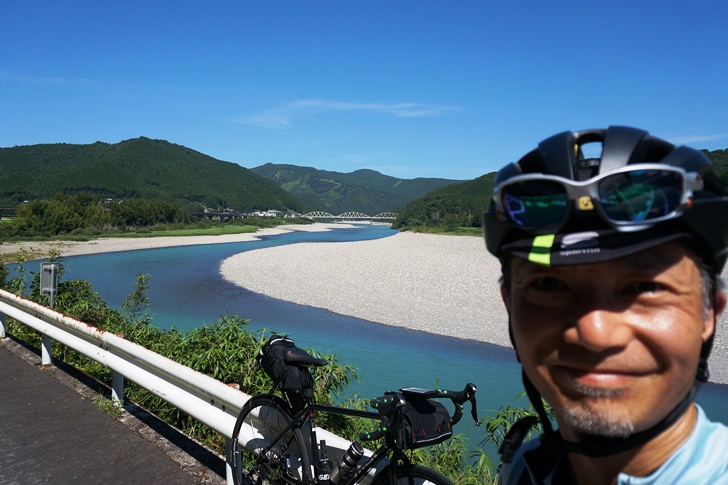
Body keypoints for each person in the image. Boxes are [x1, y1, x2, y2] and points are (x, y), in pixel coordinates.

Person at [483, 126, 728, 484]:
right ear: (509, 306)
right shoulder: (525, 467)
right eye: (548, 284)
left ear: (709, 311)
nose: (595, 334)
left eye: (645, 287)